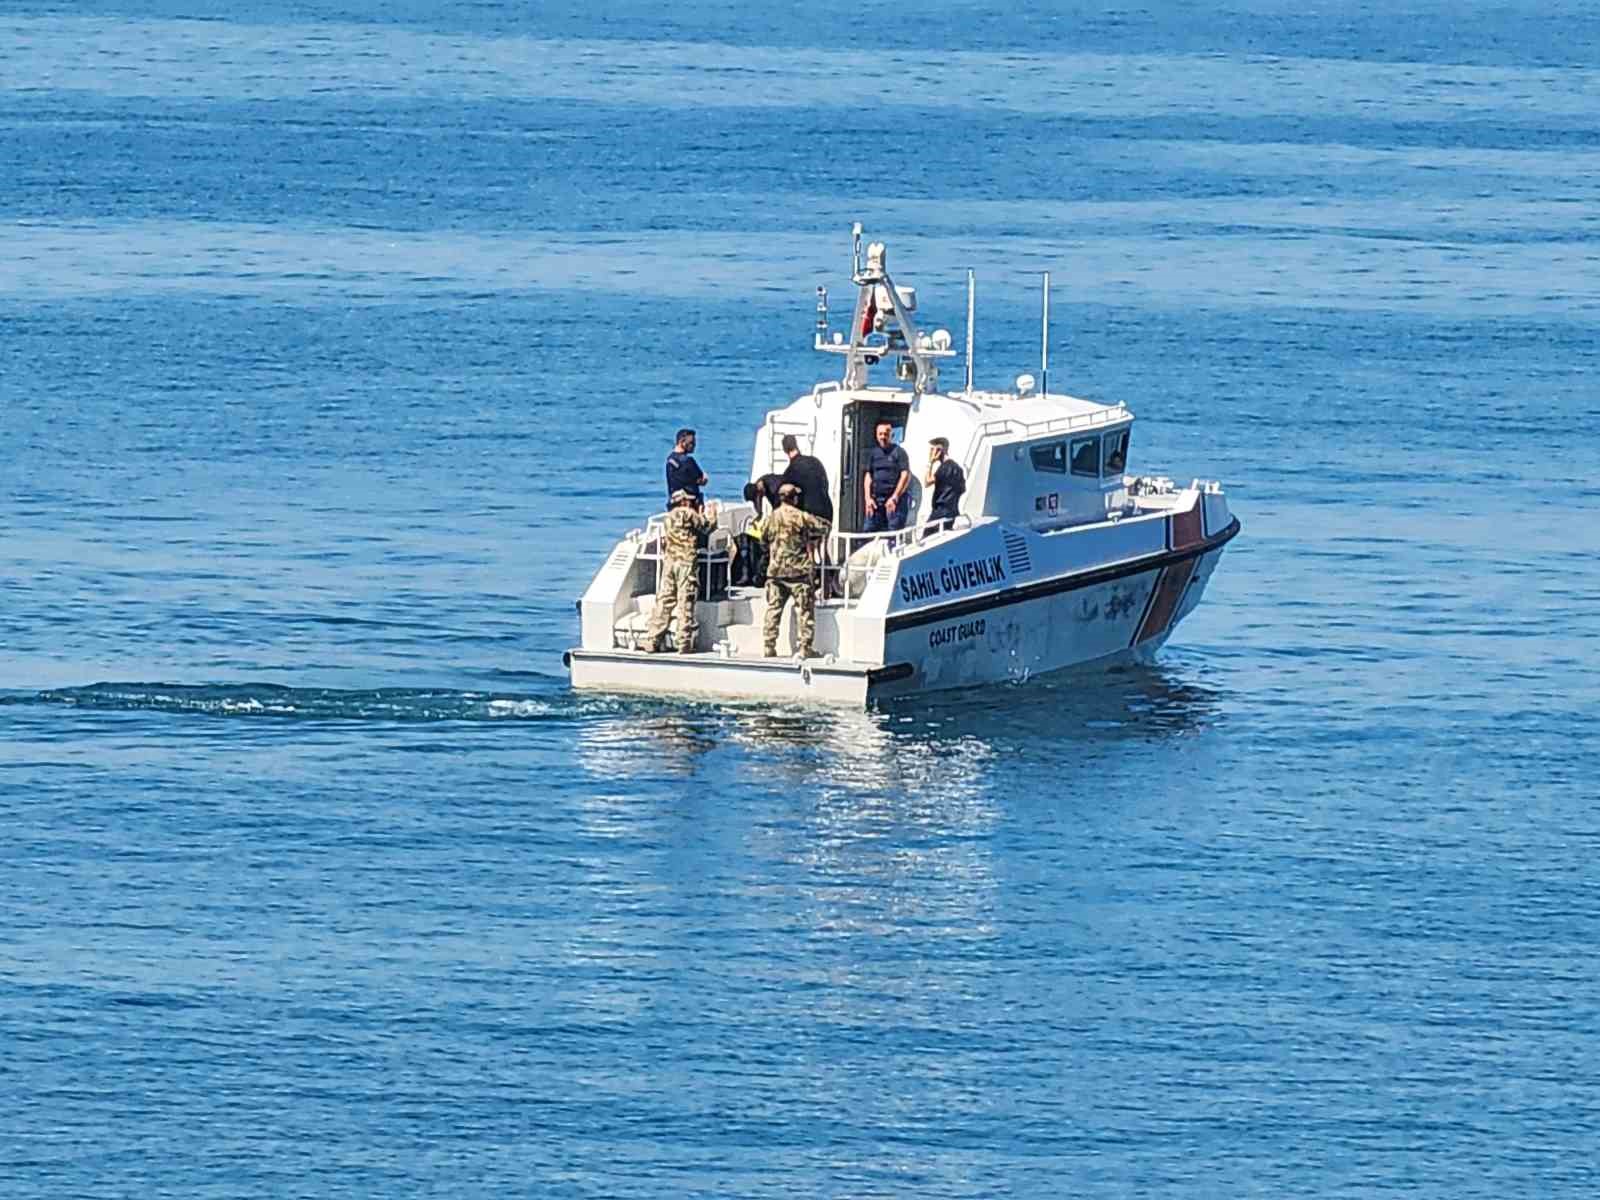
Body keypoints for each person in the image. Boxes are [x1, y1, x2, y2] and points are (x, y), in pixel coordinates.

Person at [762, 482, 830, 658]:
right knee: (805, 611)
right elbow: (824, 527)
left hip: (776, 571)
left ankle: (769, 646)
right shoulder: (801, 517)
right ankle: (805, 648)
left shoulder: (771, 517)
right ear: (794, 498)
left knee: (773, 610)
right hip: (798, 572)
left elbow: (762, 537)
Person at [645, 489, 717, 654]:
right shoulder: (688, 514)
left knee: (665, 600)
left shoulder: (667, 518)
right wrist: (712, 514)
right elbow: (707, 527)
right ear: (684, 502)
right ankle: (684, 643)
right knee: (685, 601)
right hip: (685, 562)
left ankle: (653, 639)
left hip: (670, 562)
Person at [862, 419, 910, 532]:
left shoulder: (899, 452)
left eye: (886, 434)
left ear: (891, 435)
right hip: (875, 501)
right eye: (880, 434)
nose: (883, 436)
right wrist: (868, 499)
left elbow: (905, 475)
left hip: (894, 502)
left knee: (893, 534)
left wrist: (895, 497)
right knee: (868, 531)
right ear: (876, 435)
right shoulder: (873, 453)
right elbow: (868, 476)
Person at [778, 434, 833, 524]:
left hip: (809, 519)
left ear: (784, 450)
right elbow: (825, 484)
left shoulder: (789, 472)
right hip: (828, 514)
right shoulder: (815, 461)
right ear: (796, 444)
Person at [924, 437, 966, 530]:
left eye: (932, 450)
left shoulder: (943, 468)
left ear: (939, 450)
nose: (930, 453)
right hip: (953, 512)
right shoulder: (958, 468)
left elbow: (927, 482)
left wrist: (930, 462)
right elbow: (962, 489)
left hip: (939, 513)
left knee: (926, 538)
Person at [664, 428, 707, 508]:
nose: (694, 445)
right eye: (691, 443)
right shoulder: (688, 461)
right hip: (690, 505)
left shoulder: (670, 460)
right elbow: (702, 480)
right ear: (682, 442)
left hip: (674, 503)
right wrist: (704, 478)